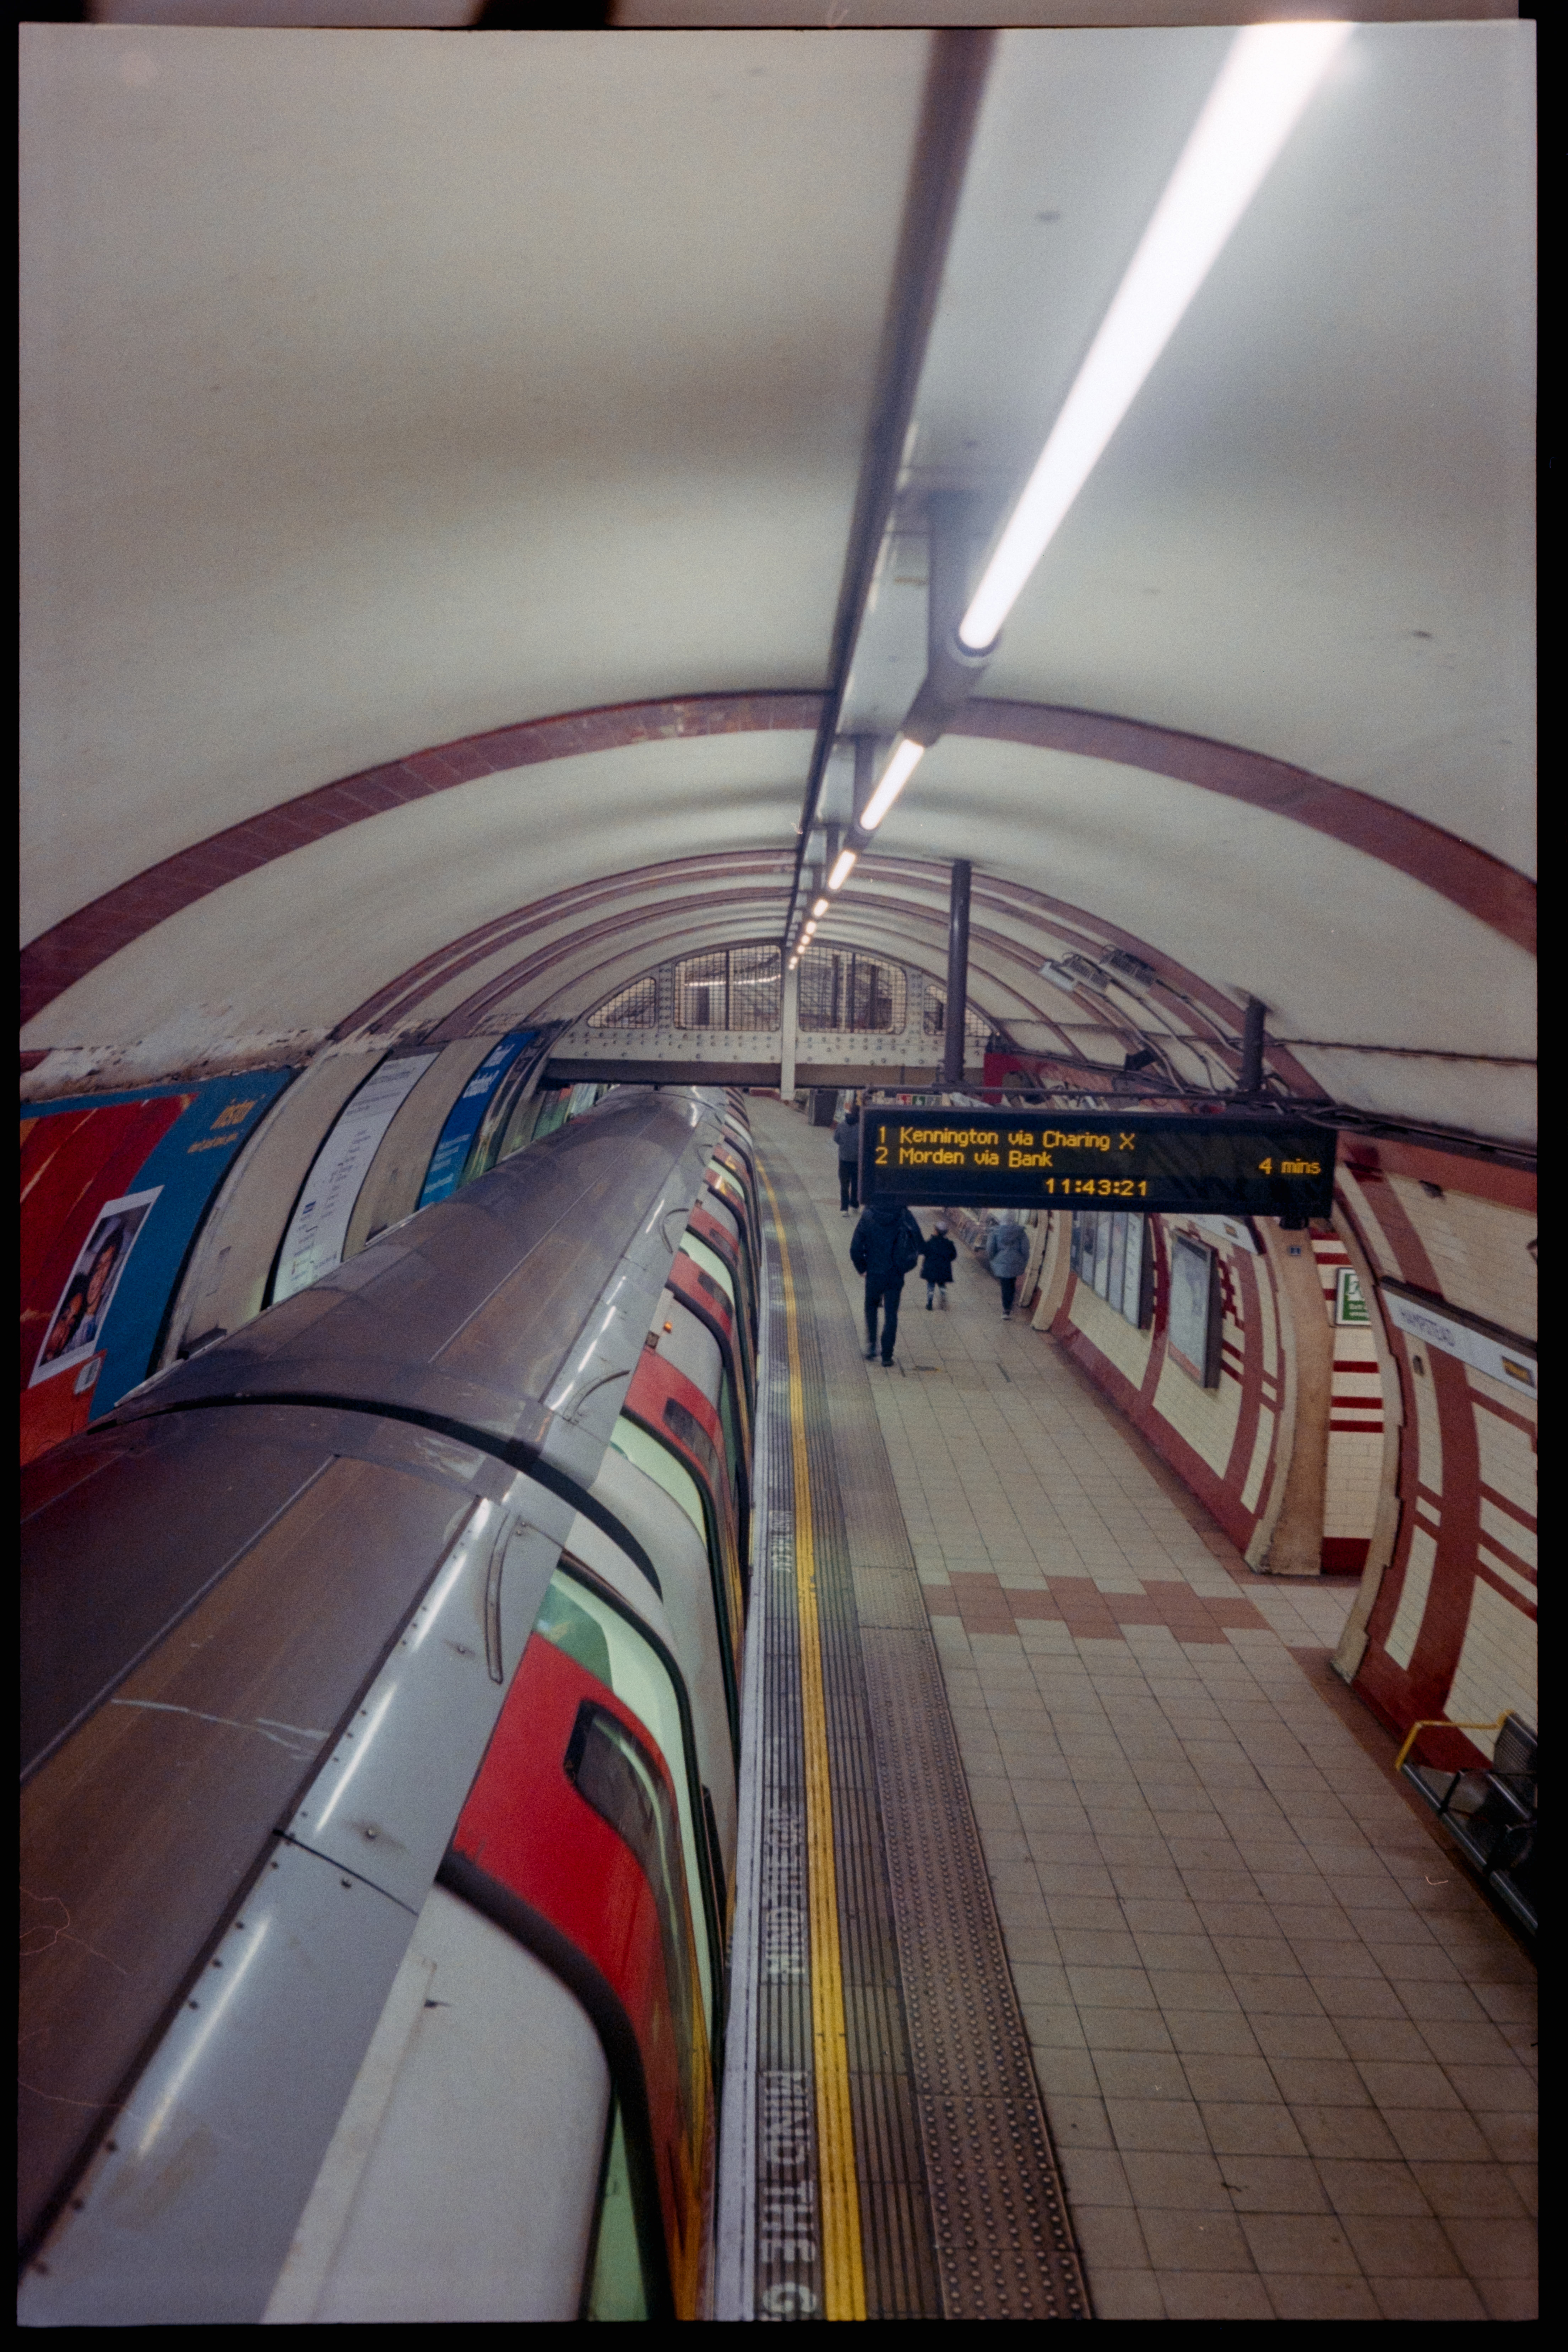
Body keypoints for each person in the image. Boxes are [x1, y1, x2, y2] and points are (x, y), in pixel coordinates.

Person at [850, 1196, 923, 1366]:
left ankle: (872, 1346)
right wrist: (904, 1265)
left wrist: (862, 1269)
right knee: (891, 1313)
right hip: (895, 1274)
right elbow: (919, 1243)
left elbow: (855, 1249)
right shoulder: (904, 1214)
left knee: (871, 1308)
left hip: (874, 1273)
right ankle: (887, 1356)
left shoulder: (868, 1215)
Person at [986, 1215, 1031, 1320]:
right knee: (1012, 1283)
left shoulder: (995, 1232)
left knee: (1005, 1284)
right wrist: (1022, 1260)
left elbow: (990, 1249)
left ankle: (1006, 1309)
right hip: (1016, 1260)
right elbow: (1025, 1249)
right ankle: (1009, 1305)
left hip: (1001, 1260)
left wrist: (994, 1259)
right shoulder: (1020, 1233)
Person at [919, 1220, 957, 1310]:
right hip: (944, 1269)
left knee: (931, 1286)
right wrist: (947, 1260)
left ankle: (929, 1303)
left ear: (936, 1231)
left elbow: (923, 1251)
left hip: (931, 1268)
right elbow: (954, 1255)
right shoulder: (949, 1244)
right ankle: (943, 1299)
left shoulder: (931, 1242)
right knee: (942, 1285)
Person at [833, 1100, 862, 1212]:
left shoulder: (842, 1125)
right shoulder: (861, 1127)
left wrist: (844, 1145)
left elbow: (836, 1139)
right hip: (857, 1161)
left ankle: (844, 1209)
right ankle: (854, 1204)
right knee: (856, 1184)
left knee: (844, 1184)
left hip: (844, 1159)